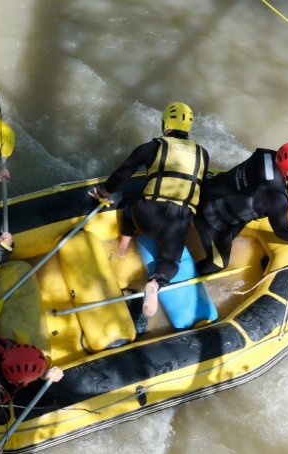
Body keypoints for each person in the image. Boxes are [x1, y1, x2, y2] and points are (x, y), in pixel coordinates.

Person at [89, 102, 209, 318]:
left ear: (165, 123)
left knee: (129, 201)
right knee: (171, 262)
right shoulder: (203, 154)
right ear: (188, 128)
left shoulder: (152, 147)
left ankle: (124, 244)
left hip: (146, 216)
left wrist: (104, 192)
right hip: (178, 222)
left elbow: (123, 173)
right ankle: (156, 282)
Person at [193, 142, 288, 276]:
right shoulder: (276, 199)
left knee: (247, 211)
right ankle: (187, 276)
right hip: (209, 217)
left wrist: (281, 194)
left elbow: (257, 183)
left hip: (205, 190)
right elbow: (283, 233)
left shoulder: (264, 156)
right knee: (218, 264)